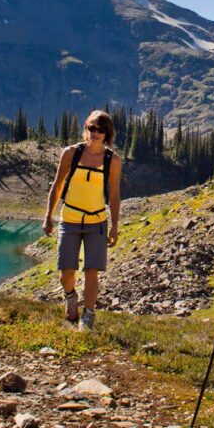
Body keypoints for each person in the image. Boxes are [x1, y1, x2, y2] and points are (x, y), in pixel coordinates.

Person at [44, 110, 122, 330]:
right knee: (66, 272)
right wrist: (48, 215)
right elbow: (57, 185)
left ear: (108, 133)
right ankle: (70, 298)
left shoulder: (112, 160)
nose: (95, 133)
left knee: (91, 270)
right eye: (91, 128)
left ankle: (88, 315)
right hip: (69, 219)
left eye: (101, 129)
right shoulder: (71, 153)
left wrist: (115, 226)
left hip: (96, 222)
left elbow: (114, 195)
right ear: (86, 129)